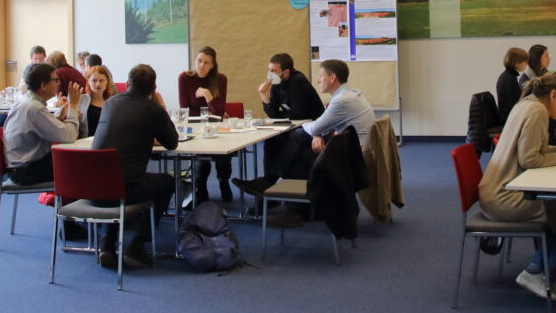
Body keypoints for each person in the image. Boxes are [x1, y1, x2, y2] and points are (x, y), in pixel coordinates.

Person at [478, 72, 556, 301]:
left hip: (498, 190)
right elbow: (530, 160)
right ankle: (537, 272)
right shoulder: (537, 111)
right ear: (554, 95)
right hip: (505, 197)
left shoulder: (527, 104)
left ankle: (548, 274)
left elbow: (536, 149)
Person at [234, 59, 375, 198]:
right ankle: (273, 190)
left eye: (321, 76)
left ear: (332, 78)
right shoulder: (349, 94)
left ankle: (278, 192)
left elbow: (307, 123)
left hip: (352, 155)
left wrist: (311, 128)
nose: (318, 81)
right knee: (287, 140)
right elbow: (279, 116)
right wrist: (316, 132)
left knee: (297, 149)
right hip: (349, 146)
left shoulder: (341, 100)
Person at [92, 64, 178, 270]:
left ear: (127, 83)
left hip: (93, 187)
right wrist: (161, 108)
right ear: (154, 88)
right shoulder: (153, 110)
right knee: (168, 182)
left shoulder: (110, 103)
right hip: (125, 189)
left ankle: (106, 244)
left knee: (114, 178)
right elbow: (172, 142)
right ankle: (137, 245)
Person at [3, 63, 82, 185]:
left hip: (20, 165)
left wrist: (58, 116)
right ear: (43, 85)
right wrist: (73, 106)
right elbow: (70, 135)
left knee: (74, 159)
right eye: (55, 80)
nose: (58, 84)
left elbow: (40, 126)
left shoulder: (25, 100)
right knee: (82, 163)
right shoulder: (35, 108)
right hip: (26, 170)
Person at [178, 46, 232, 203]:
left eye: (206, 63)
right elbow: (185, 110)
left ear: (213, 65)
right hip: (196, 128)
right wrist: (209, 112)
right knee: (201, 160)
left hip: (216, 127)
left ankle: (223, 181)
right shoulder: (185, 78)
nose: (201, 65)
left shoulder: (220, 79)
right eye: (199, 61)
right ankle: (201, 186)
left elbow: (219, 112)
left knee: (224, 157)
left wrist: (207, 94)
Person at [258, 52, 325, 121]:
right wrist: (264, 96)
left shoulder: (298, 81)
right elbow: (273, 114)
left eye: (273, 71)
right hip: (295, 122)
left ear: (286, 72)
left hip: (313, 122)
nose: (270, 74)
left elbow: (297, 115)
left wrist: (279, 115)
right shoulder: (277, 82)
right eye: (269, 70)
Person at [78, 64, 115, 137]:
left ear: (107, 81)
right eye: (94, 80)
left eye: (101, 80)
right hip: (86, 140)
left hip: (107, 140)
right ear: (88, 81)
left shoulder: (112, 102)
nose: (98, 84)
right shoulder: (81, 100)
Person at [497, 47, 528, 126]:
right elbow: (516, 104)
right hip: (509, 120)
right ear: (517, 63)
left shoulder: (506, 76)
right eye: (525, 61)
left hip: (506, 117)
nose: (526, 64)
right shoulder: (510, 80)